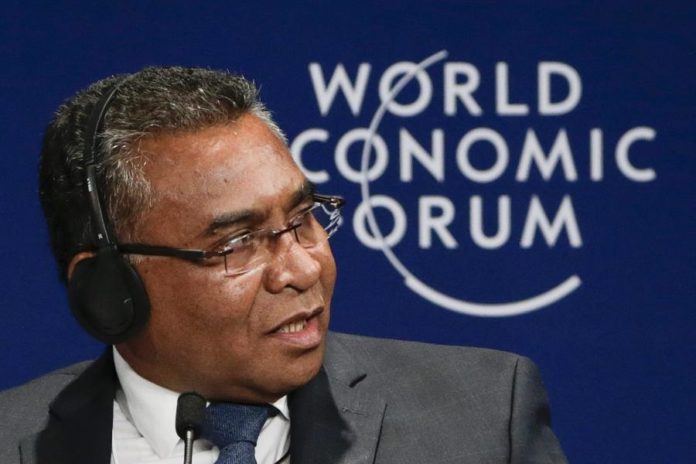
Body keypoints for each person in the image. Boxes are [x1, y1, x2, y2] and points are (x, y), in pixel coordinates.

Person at [0, 66, 568, 464]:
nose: (301, 270)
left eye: (303, 218)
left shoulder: (484, 419)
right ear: (109, 291)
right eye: (237, 243)